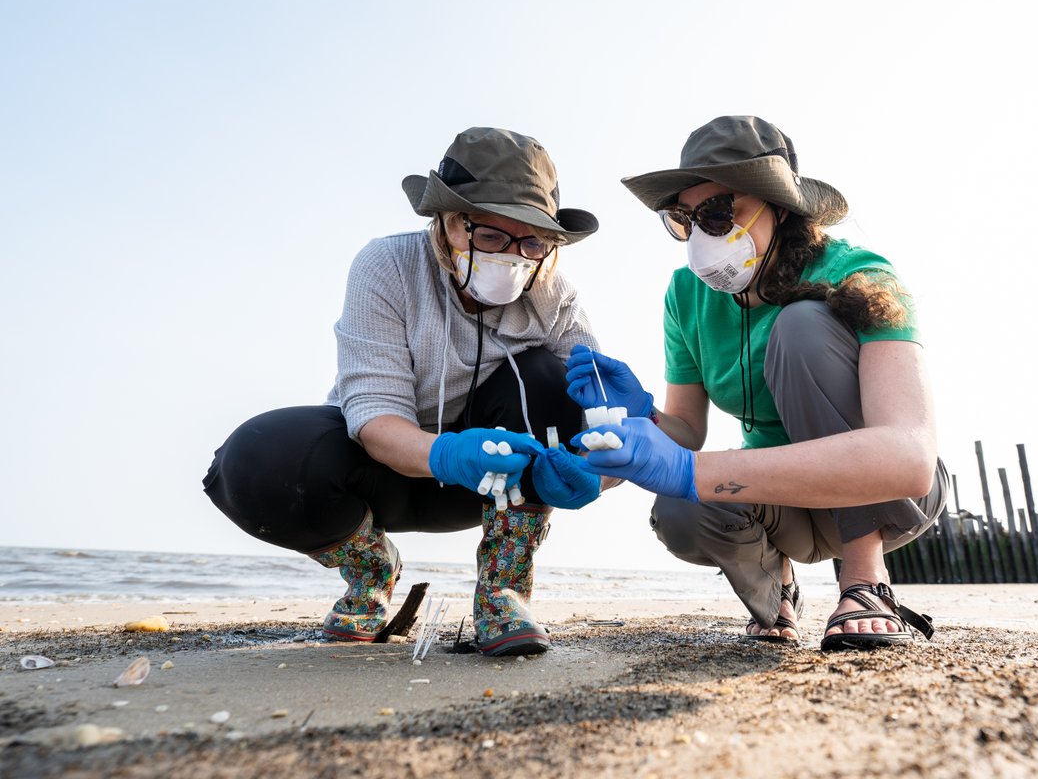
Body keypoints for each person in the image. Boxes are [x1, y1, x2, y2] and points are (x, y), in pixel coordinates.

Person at [203, 127, 605, 656]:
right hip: (381, 473)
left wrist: (594, 467)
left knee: (553, 378)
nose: (512, 257)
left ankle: (502, 590)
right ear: (448, 222)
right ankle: (370, 573)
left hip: (493, 485)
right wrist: (447, 452)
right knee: (256, 455)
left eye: (532, 241)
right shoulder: (388, 265)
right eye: (489, 235)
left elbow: (602, 414)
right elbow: (373, 414)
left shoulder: (555, 296)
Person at [565, 115, 948, 651]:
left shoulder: (860, 274)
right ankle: (776, 594)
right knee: (679, 508)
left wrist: (689, 467)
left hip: (887, 499)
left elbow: (909, 460)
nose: (700, 236)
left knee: (802, 323)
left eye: (719, 212)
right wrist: (643, 417)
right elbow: (687, 433)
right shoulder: (685, 295)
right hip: (780, 505)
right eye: (684, 219)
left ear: (781, 208)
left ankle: (865, 580)